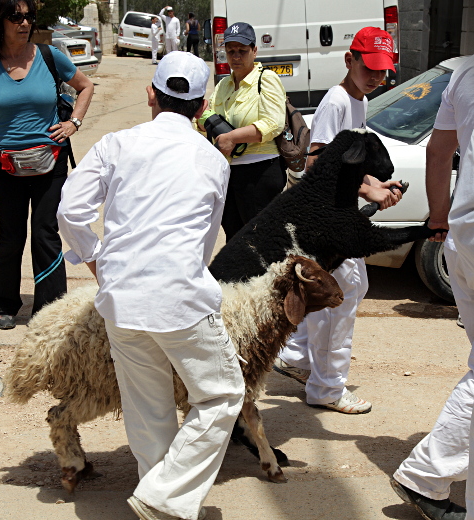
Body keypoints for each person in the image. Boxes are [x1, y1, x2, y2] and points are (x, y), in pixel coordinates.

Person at [57, 51, 245, 520]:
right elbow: (206, 237)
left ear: (150, 95)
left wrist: (97, 260)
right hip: (181, 297)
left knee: (148, 409)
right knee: (222, 396)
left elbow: (70, 211)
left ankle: (158, 496)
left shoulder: (115, 144)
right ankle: (163, 498)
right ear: (202, 107)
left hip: (121, 300)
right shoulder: (213, 158)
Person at [273, 27, 403, 414]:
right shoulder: (338, 101)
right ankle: (327, 387)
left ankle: (298, 357)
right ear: (350, 60)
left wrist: (376, 183)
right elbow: (317, 162)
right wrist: (368, 191)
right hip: (329, 221)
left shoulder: (357, 100)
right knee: (340, 297)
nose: (377, 77)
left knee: (351, 288)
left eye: (383, 70)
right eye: (370, 67)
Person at [0, 0, 94, 330]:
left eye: (28, 17)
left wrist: (73, 124)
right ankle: (3, 303)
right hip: (6, 165)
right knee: (10, 235)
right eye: (16, 17)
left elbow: (85, 86)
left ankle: (49, 308)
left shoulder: (50, 56)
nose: (24, 23)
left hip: (51, 161)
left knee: (45, 233)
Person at [389, 55, 474, 520]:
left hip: (463, 236)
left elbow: (438, 153)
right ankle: (426, 474)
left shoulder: (462, 73)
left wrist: (439, 216)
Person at [197, 22, 286, 242]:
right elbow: (206, 117)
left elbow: (273, 123)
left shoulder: (266, 79)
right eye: (231, 51)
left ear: (254, 51)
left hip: (260, 172)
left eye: (242, 51)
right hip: (230, 173)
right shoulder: (224, 84)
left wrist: (230, 137)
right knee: (234, 239)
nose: (236, 56)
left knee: (260, 241)